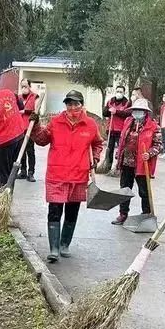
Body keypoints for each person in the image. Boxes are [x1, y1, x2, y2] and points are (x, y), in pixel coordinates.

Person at [30, 90, 103, 261]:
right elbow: (41, 140)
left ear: (81, 105)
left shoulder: (90, 125)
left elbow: (98, 143)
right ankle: (54, 249)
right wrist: (35, 126)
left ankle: (64, 244)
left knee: (72, 212)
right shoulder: (56, 122)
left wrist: (96, 158)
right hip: (57, 175)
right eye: (69, 103)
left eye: (75, 103)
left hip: (79, 176)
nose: (72, 107)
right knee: (54, 211)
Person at [112, 97, 162, 225]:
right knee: (124, 189)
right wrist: (119, 152)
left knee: (144, 191)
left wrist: (149, 153)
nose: (137, 112)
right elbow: (123, 139)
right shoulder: (128, 121)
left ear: (145, 112)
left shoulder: (153, 126)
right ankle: (123, 214)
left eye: (140, 110)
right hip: (127, 162)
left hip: (142, 164)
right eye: (135, 110)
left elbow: (159, 145)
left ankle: (146, 215)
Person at [101, 85, 131, 168]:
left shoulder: (127, 103)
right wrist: (108, 111)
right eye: (117, 91)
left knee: (121, 149)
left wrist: (116, 112)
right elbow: (104, 112)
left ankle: (119, 166)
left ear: (124, 93)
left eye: (121, 92)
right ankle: (108, 165)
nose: (119, 93)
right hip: (110, 128)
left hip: (120, 129)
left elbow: (128, 114)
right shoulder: (111, 101)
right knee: (109, 149)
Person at [19, 80, 39, 182]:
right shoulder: (19, 97)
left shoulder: (35, 97)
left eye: (25, 86)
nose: (24, 88)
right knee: (21, 151)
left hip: (30, 128)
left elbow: (35, 110)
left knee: (30, 151)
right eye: (22, 86)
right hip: (20, 128)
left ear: (29, 86)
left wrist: (24, 111)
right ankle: (23, 171)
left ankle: (31, 172)